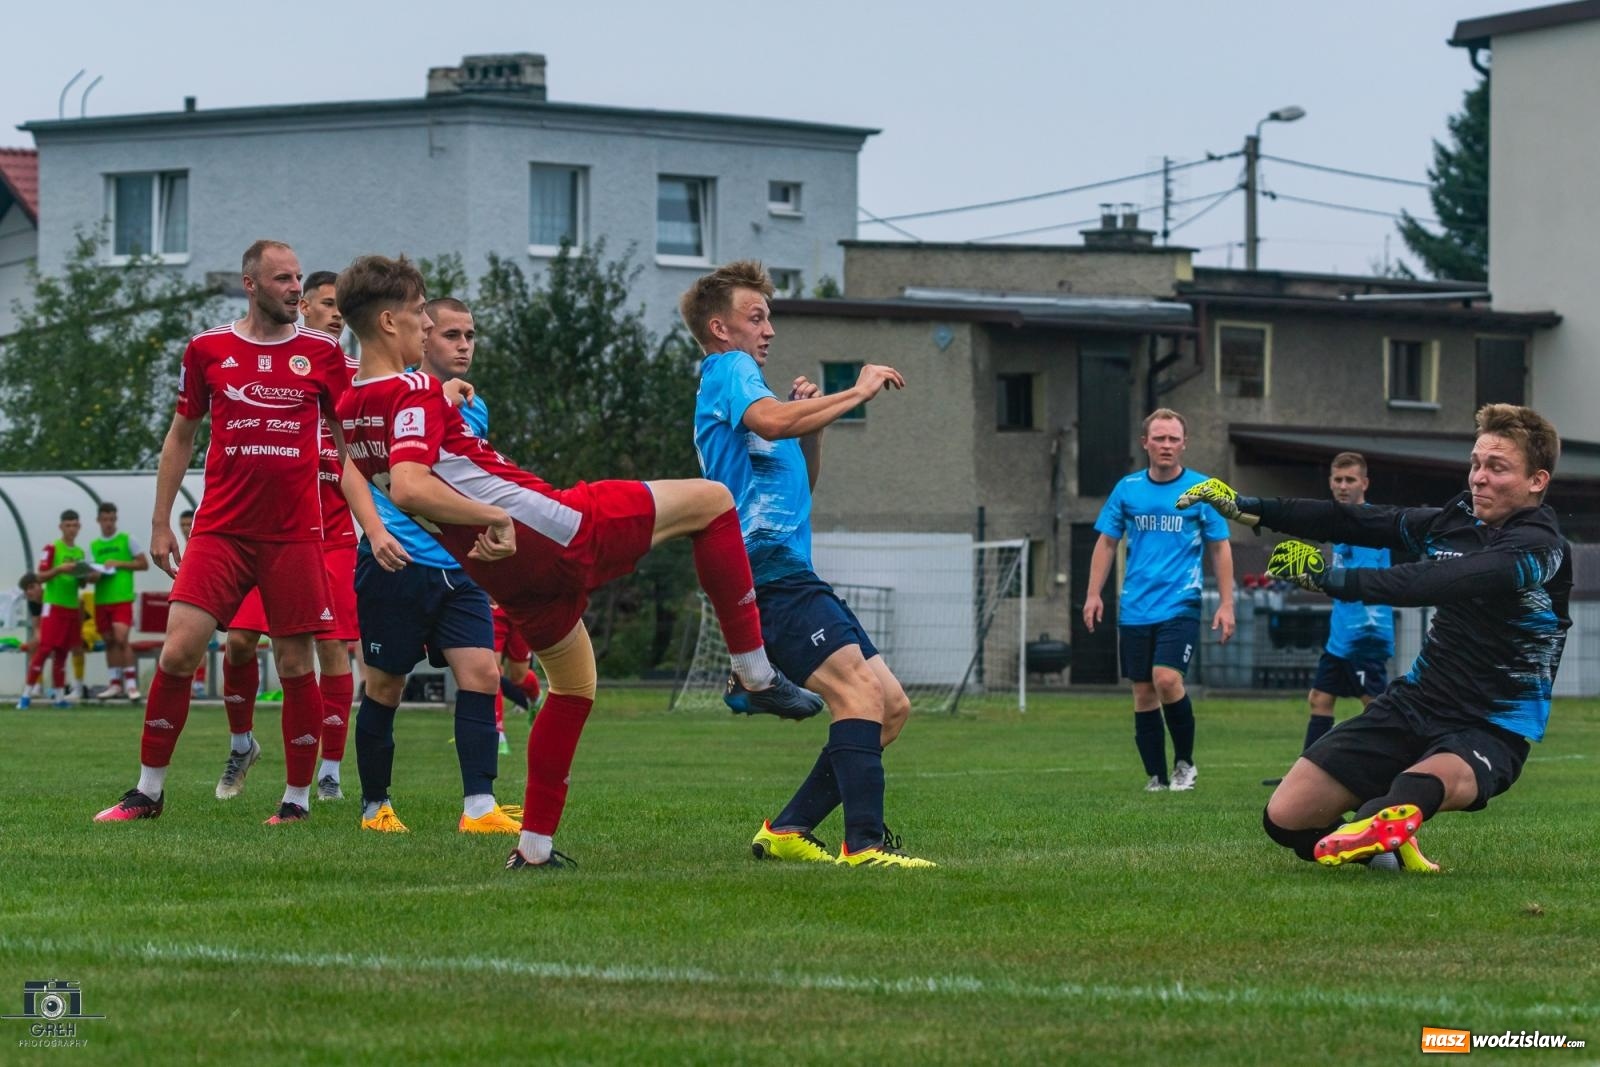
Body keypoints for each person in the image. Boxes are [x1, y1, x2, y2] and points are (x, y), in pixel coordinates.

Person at [333, 254, 821, 870]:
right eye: (417, 320)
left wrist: (447, 402)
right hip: (549, 528)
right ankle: (753, 671)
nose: (427, 332)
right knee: (715, 501)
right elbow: (408, 486)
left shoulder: (352, 407)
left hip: (501, 571)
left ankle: (534, 848)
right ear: (385, 322)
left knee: (572, 685)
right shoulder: (412, 387)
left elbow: (406, 463)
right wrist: (495, 516)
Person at [1178, 404, 1570, 872]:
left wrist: (1334, 578)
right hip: (1415, 701)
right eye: (1476, 464)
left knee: (1407, 793)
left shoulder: (1540, 548)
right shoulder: (1456, 519)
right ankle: (1381, 845)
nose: (1478, 478)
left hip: (1491, 724)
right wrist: (1248, 507)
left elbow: (1437, 581)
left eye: (1497, 468)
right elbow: (1359, 520)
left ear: (1537, 481)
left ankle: (1380, 824)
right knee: (1284, 818)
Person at [684, 260, 934, 868]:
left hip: (791, 569)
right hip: (768, 573)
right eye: (756, 316)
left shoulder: (754, 395)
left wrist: (814, 432)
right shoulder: (728, 370)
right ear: (721, 328)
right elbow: (770, 423)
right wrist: (858, 391)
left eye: (769, 317)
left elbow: (798, 490)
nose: (768, 329)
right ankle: (865, 846)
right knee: (858, 695)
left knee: (890, 707)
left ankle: (788, 829)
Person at [94, 239, 350, 825]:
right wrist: (160, 522)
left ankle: (297, 801)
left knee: (293, 664)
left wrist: (373, 515)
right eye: (283, 279)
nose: (295, 288)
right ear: (251, 284)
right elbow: (181, 435)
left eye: (298, 277)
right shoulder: (208, 348)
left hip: (294, 535)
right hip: (220, 529)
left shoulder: (323, 354)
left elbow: (346, 439)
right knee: (180, 650)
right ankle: (148, 792)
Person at [345, 295, 522, 834]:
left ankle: (479, 808)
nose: (462, 345)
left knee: (484, 674)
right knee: (385, 688)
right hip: (398, 565)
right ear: (421, 336)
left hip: (459, 567)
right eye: (450, 334)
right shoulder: (389, 396)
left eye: (469, 335)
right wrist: (374, 533)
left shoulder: (475, 405)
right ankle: (375, 808)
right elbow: (355, 466)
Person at [213, 270, 360, 804]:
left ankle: (331, 771)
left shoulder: (354, 377)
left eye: (343, 306)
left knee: (332, 647)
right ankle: (242, 743)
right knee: (239, 641)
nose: (337, 314)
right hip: (273, 537)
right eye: (327, 304)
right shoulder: (283, 369)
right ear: (303, 308)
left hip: (335, 538)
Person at [1083, 409, 1235, 792]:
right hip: (1135, 605)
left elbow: (1220, 547)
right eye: (1159, 438)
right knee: (1143, 691)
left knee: (1166, 679)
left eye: (1173, 439)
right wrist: (1092, 594)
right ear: (1145, 443)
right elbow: (1106, 542)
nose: (1166, 445)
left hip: (1181, 602)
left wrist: (1227, 602)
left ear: (1184, 443)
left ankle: (1185, 763)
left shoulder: (1203, 490)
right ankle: (1156, 777)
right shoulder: (1128, 489)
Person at [1261, 452, 1393, 787]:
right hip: (1341, 634)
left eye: (1350, 480)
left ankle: (1388, 768)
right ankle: (1304, 777)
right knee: (1320, 699)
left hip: (1365, 631)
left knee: (1375, 707)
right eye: (1338, 479)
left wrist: (1313, 574)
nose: (1343, 486)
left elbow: (1365, 581)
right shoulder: (1342, 522)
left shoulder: (1367, 523)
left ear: (1365, 483)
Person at [21, 509, 89, 709]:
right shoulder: (52, 548)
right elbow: (40, 576)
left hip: (71, 607)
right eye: (68, 525)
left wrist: (86, 575)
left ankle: (59, 698)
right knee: (44, 649)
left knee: (62, 652)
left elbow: (82, 584)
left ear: (79, 527)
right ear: (61, 527)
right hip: (53, 606)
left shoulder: (79, 553)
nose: (72, 529)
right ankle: (25, 695)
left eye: (75, 525)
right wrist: (60, 569)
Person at [87, 502, 150, 700]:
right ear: (98, 520)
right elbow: (89, 575)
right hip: (101, 600)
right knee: (109, 641)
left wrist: (119, 563)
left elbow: (143, 564)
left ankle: (131, 685)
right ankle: (115, 684)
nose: (108, 523)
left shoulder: (127, 540)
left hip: (122, 598)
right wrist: (94, 576)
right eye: (105, 519)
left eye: (112, 519)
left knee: (121, 638)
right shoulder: (94, 546)